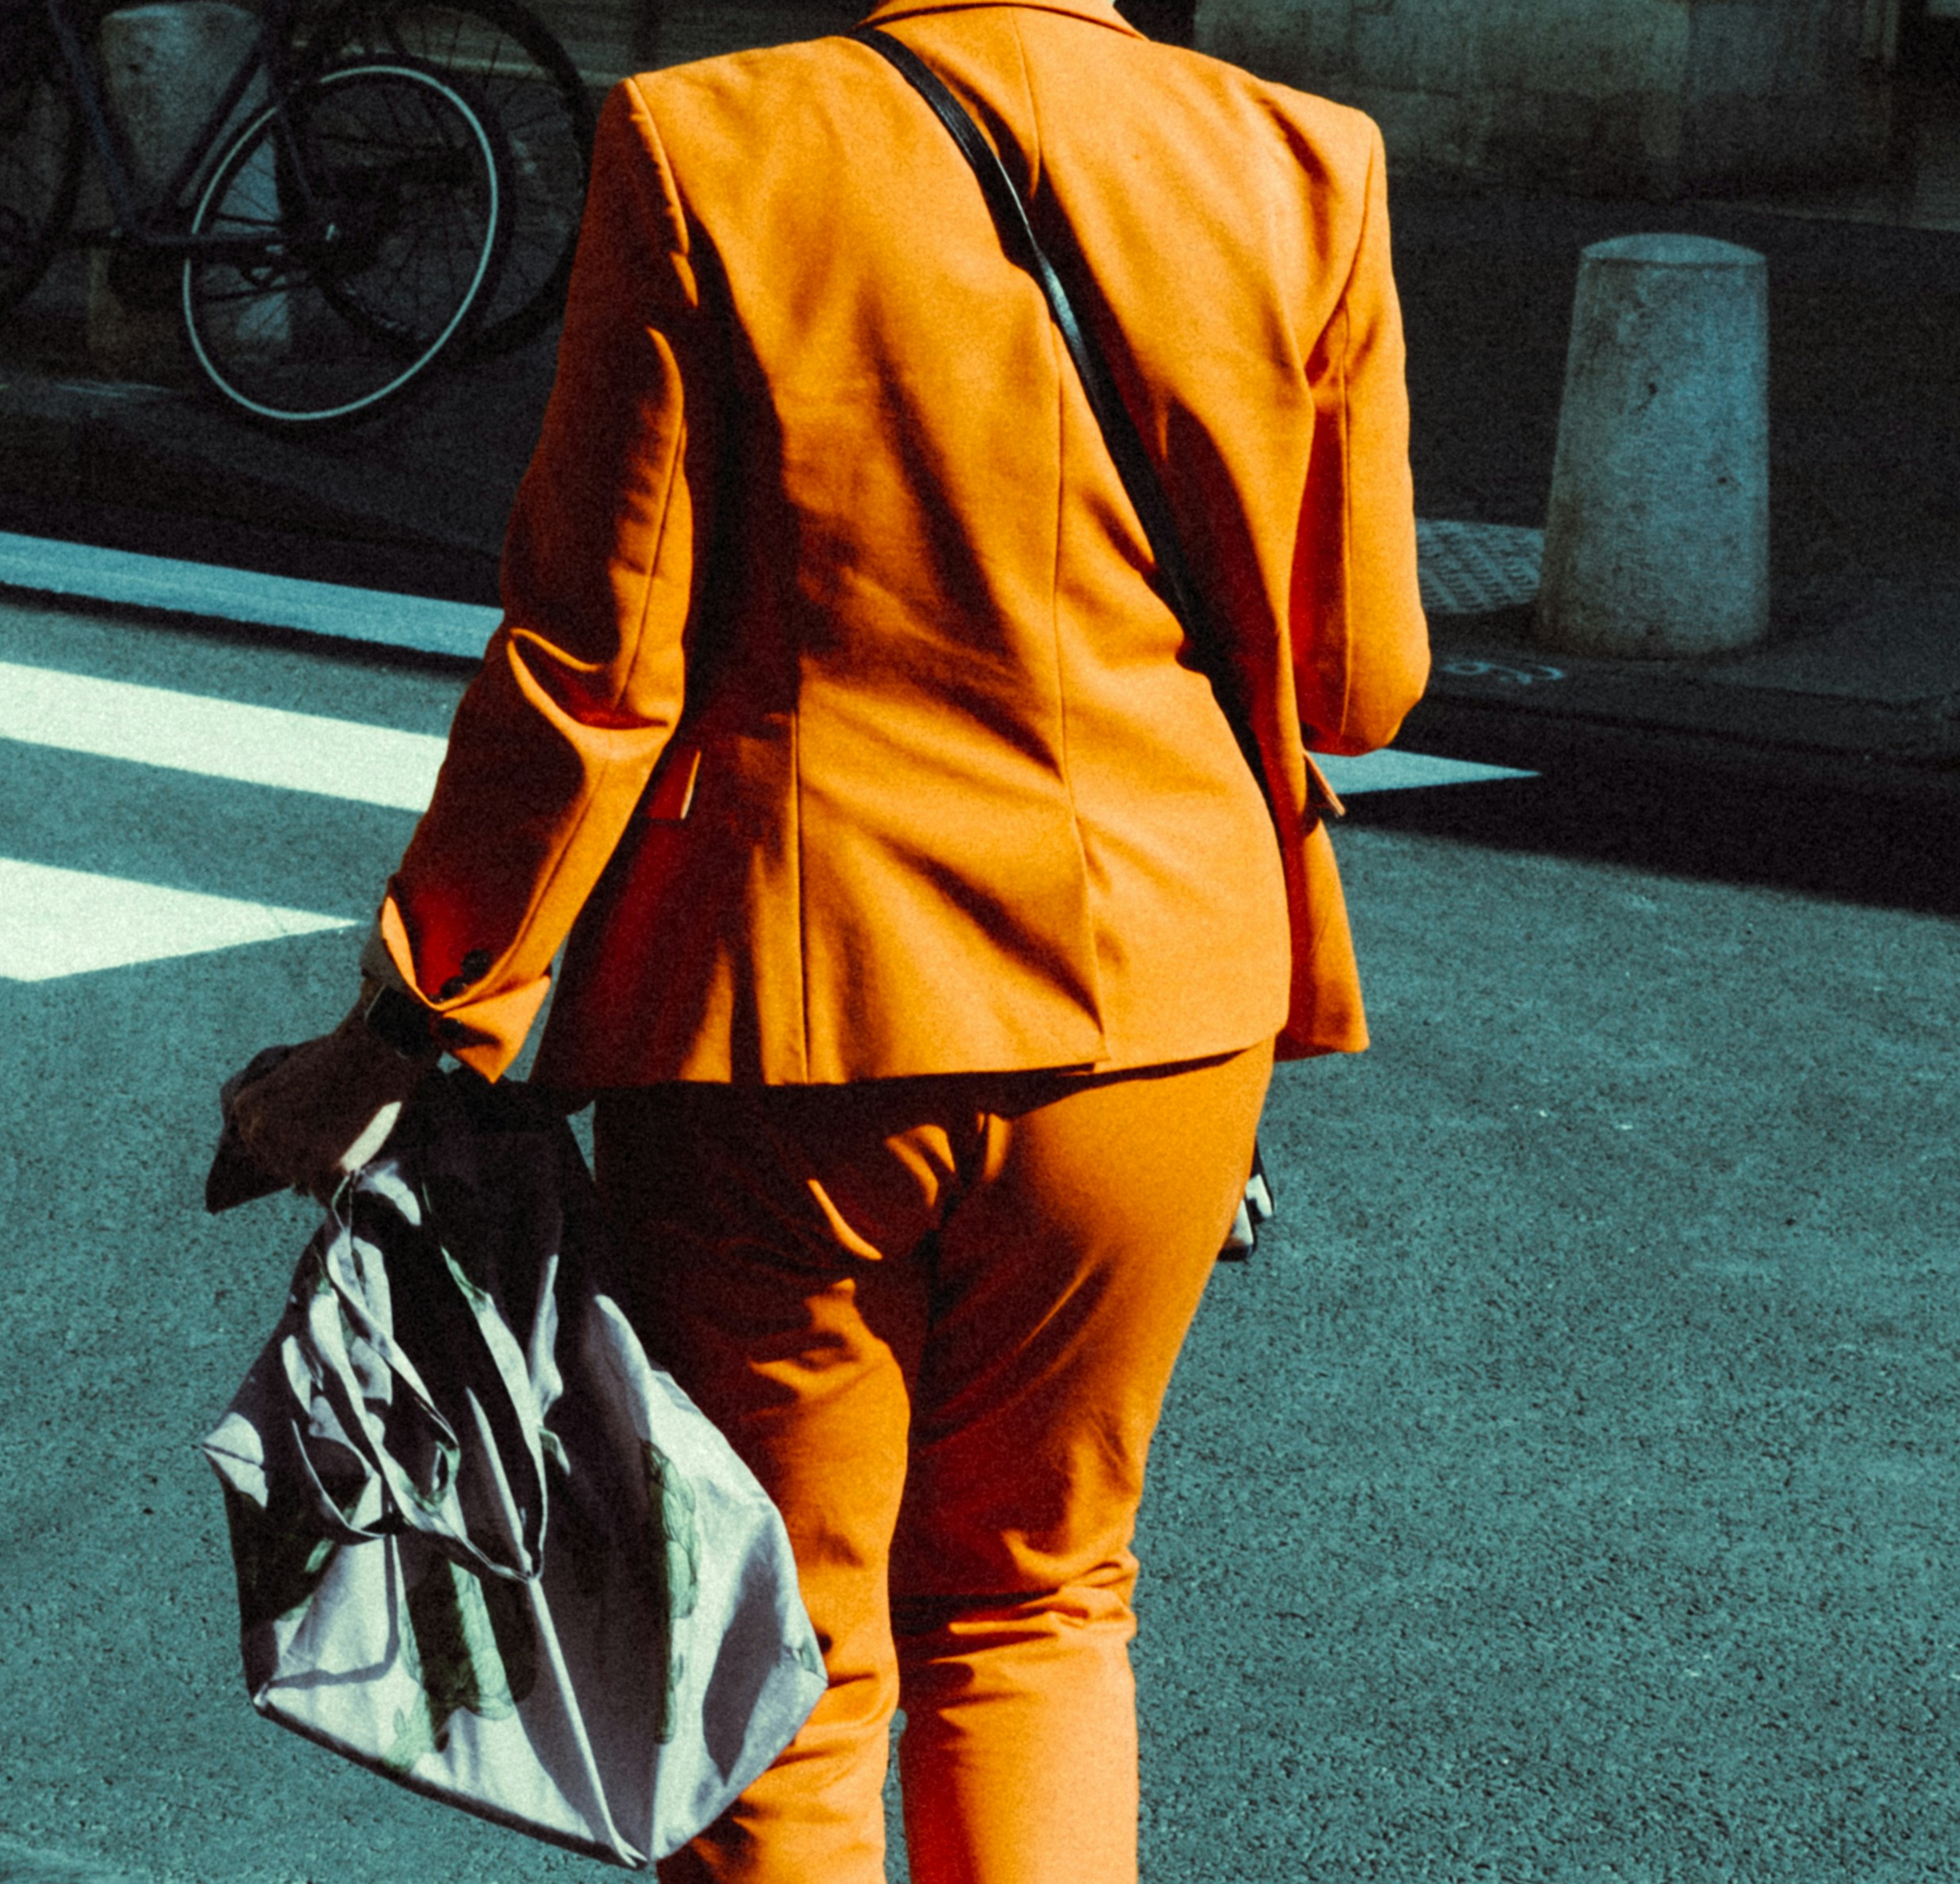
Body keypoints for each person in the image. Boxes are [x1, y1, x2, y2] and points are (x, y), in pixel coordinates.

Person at [219, 0, 1430, 1875]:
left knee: (788, 1652)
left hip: (790, 1006)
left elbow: (593, 665)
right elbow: (1361, 681)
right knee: (1042, 1612)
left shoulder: (710, 144)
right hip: (1165, 1007)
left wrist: (416, 1019)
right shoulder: (1301, 162)